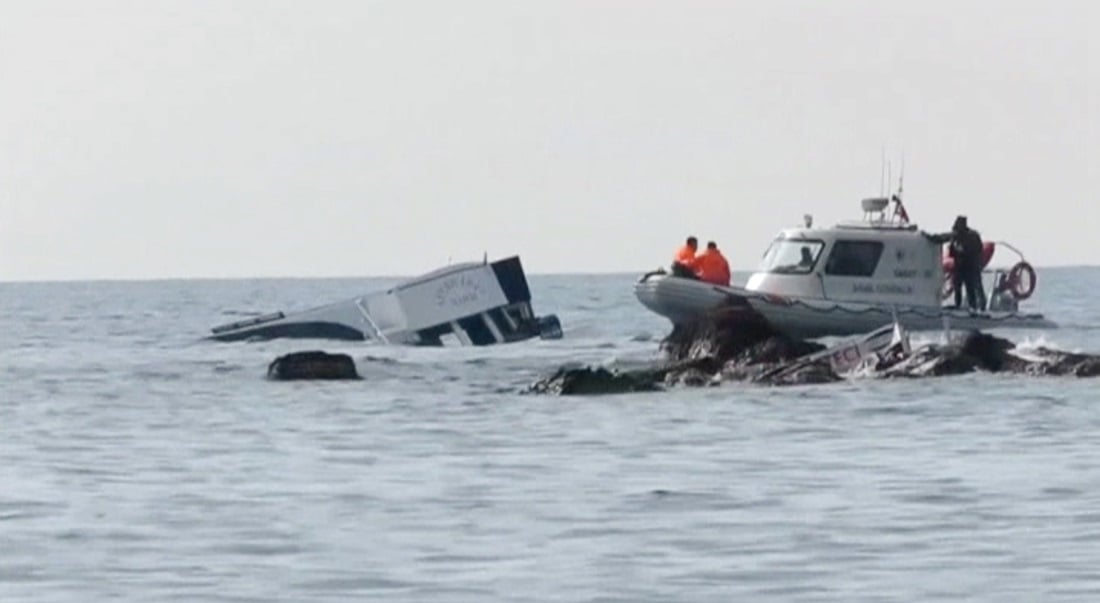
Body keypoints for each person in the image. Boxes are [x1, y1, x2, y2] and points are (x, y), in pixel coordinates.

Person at [947, 216, 987, 311]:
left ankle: (977, 306)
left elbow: (978, 249)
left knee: (972, 287)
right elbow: (951, 252)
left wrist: (964, 251)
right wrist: (956, 250)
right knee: (958, 286)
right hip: (960, 266)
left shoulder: (972, 235)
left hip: (971, 266)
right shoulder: (956, 237)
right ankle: (959, 305)